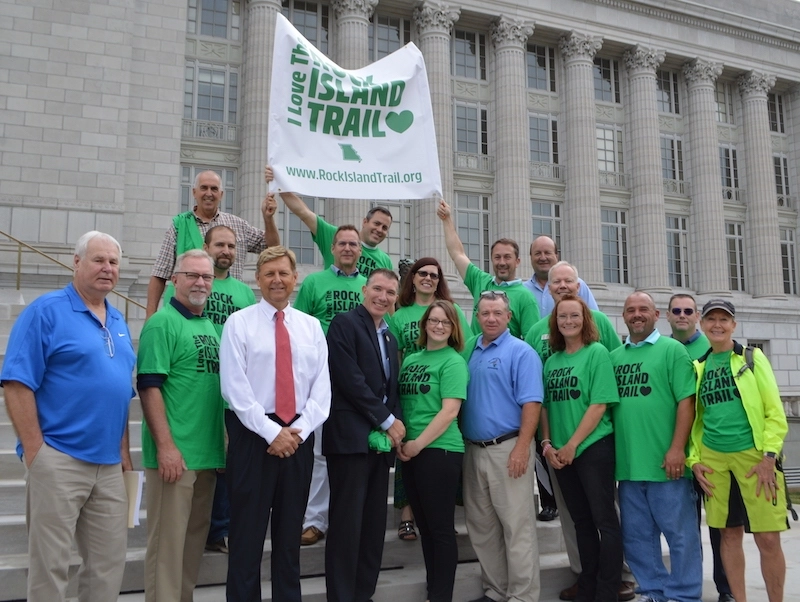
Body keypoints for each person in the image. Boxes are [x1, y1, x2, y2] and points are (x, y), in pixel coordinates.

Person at [1, 231, 136, 602]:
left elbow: (121, 391)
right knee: (50, 568)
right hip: (59, 459)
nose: (107, 269)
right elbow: (16, 383)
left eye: (113, 262)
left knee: (108, 567)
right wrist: (36, 453)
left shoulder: (119, 319)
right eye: (98, 260)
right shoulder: (45, 312)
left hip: (108, 467)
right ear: (77, 263)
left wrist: (123, 453)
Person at [220, 246, 331, 602]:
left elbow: (322, 390)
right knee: (246, 541)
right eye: (269, 274)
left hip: (297, 437)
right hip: (254, 437)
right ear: (258, 279)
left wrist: (296, 432)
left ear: (295, 278)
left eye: (283, 273)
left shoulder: (311, 327)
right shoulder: (239, 323)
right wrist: (272, 432)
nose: (277, 280)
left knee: (288, 543)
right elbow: (235, 389)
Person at [163, 224, 256, 555]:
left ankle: (219, 529)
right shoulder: (187, 286)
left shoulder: (244, 294)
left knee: (225, 460)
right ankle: (198, 529)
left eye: (232, 246)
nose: (226, 251)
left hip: (230, 386)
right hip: (195, 379)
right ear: (207, 246)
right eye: (220, 244)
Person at [138, 249, 225, 602]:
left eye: (206, 277)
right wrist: (166, 447)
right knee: (167, 553)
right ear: (175, 279)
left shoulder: (209, 326)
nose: (200, 282)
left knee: (189, 551)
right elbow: (148, 386)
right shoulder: (162, 323)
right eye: (192, 275)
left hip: (206, 455)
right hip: (175, 457)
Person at [689, 299, 788, 602]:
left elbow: (774, 412)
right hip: (715, 461)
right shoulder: (699, 367)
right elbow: (697, 420)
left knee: (767, 538)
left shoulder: (752, 358)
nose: (717, 325)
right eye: (711, 319)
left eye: (724, 319)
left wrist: (769, 456)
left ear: (733, 324)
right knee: (728, 535)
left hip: (755, 459)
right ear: (702, 324)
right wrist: (694, 460)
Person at [611, 291, 702, 602]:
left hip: (668, 465)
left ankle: (685, 595)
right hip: (629, 466)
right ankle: (653, 590)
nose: (637, 314)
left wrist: (677, 448)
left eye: (643, 309)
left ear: (656, 315)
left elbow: (686, 402)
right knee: (637, 539)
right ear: (623, 316)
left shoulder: (672, 350)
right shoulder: (614, 357)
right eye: (631, 310)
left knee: (681, 537)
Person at [323, 269, 406, 602]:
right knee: (346, 526)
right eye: (377, 289)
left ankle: (363, 593)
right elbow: (349, 379)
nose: (382, 297)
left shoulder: (390, 336)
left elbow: (392, 388)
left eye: (389, 292)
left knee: (372, 526)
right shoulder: (344, 324)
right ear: (364, 290)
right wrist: (387, 420)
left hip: (379, 444)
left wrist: (394, 426)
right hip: (350, 440)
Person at [461, 291, 544, 602]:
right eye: (485, 313)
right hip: (473, 449)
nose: (491, 318)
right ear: (477, 317)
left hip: (508, 449)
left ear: (509, 316)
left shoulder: (521, 353)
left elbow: (532, 403)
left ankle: (522, 596)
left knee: (516, 527)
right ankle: (496, 590)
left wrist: (523, 447)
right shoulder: (470, 350)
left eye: (497, 313)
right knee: (482, 527)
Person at [541, 295, 622, 602]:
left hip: (592, 448)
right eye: (563, 317)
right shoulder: (552, 360)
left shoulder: (596, 353)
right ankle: (586, 585)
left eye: (574, 316)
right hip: (561, 454)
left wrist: (573, 444)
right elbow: (546, 407)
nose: (568, 321)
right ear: (555, 322)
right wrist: (547, 444)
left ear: (585, 319)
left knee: (605, 521)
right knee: (581, 523)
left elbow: (599, 403)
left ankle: (607, 589)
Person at [293, 224, 367, 546]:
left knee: (354, 454)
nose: (348, 248)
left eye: (353, 244)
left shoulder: (369, 286)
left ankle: (351, 517)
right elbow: (296, 327)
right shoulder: (314, 282)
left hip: (359, 381)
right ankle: (315, 520)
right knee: (320, 452)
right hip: (320, 377)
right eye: (342, 243)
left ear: (360, 251)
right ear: (332, 248)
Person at [389, 257, 469, 541]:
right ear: (411, 278)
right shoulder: (399, 316)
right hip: (412, 394)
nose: (427, 278)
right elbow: (394, 357)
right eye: (421, 273)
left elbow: (465, 349)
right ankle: (407, 515)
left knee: (438, 521)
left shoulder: (453, 311)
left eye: (434, 275)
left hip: (442, 394)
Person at [397, 300, 469, 602]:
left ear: (453, 329)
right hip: (410, 451)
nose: (439, 326)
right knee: (425, 528)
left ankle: (442, 596)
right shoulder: (412, 360)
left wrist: (416, 444)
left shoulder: (453, 361)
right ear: (425, 323)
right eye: (434, 320)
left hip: (439, 451)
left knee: (440, 529)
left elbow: (449, 411)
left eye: (446, 322)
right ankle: (433, 590)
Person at [667, 294, 734, 602]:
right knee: (685, 530)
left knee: (721, 527)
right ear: (666, 316)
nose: (682, 315)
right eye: (676, 310)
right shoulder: (661, 349)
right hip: (674, 454)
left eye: (688, 311)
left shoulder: (712, 349)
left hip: (710, 454)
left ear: (697, 318)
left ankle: (727, 588)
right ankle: (689, 587)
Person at [146, 170, 280, 317]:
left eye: (214, 189)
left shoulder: (238, 225)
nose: (209, 193)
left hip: (230, 311)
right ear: (194, 192)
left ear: (221, 194)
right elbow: (159, 274)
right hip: (188, 315)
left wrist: (268, 218)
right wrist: (150, 316)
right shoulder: (179, 226)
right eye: (204, 188)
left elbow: (271, 248)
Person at [266, 165, 393, 277]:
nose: (379, 230)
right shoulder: (334, 235)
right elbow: (303, 212)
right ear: (365, 222)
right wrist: (279, 184)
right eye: (376, 224)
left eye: (384, 227)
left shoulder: (385, 260)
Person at [437, 199, 539, 337]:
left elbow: (532, 340)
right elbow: (457, 253)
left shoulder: (526, 297)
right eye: (497, 257)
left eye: (507, 257)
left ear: (517, 261)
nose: (502, 262)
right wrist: (447, 219)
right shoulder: (480, 280)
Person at [523, 235, 598, 317]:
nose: (543, 258)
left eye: (547, 253)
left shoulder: (577, 285)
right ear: (531, 257)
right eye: (537, 253)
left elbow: (594, 319)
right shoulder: (523, 290)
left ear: (556, 256)